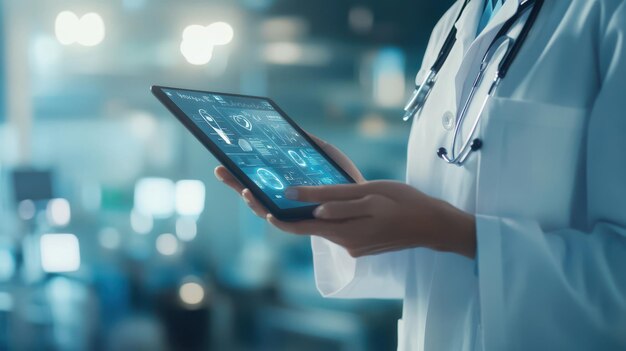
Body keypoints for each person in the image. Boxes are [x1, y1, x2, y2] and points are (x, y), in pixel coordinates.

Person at [215, 0, 626, 349]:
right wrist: (354, 206)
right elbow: (432, 267)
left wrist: (452, 231)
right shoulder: (453, 25)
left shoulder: (607, 16)